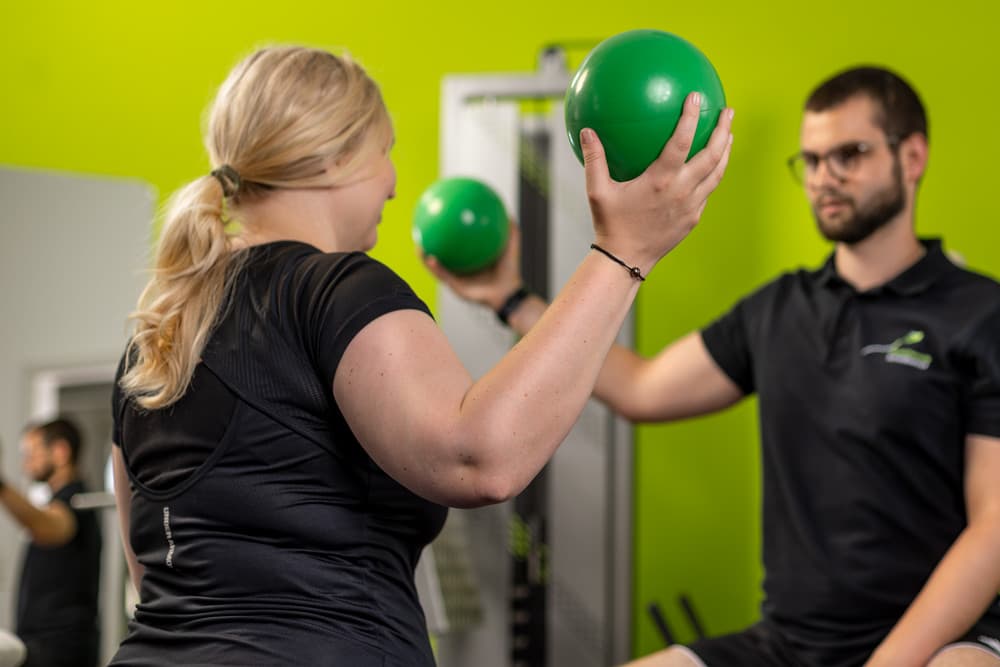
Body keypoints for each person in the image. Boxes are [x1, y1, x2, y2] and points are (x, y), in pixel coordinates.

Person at [107, 45, 733, 665]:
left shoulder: (157, 334)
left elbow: (149, 571)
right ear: (336, 159)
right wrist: (627, 250)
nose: (394, 180)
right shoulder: (338, 289)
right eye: (386, 151)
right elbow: (479, 459)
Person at [432, 66, 1000, 667]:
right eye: (810, 161)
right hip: (790, 646)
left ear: (911, 156)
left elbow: (994, 527)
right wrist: (509, 298)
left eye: (850, 154)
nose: (825, 177)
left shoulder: (978, 313)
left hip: (946, 643)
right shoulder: (780, 308)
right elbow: (641, 389)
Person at [0, 419, 102, 667]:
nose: (26, 463)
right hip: (41, 647)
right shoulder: (59, 502)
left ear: (60, 452)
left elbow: (51, 526)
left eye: (32, 453)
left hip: (61, 652)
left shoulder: (78, 502)